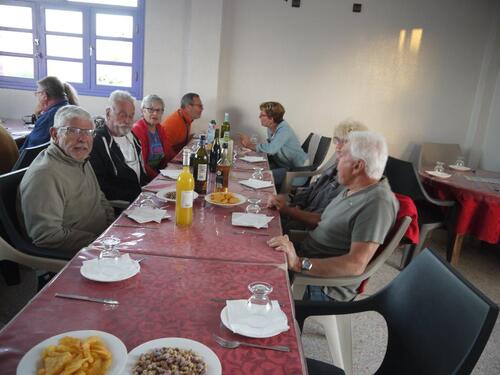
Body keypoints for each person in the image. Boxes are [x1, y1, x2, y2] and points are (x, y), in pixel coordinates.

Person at [267, 131, 399, 302]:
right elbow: (324, 223)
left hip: (321, 285)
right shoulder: (352, 188)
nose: (337, 161)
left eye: (342, 156)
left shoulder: (377, 204)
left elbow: (355, 265)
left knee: (248, 284)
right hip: (306, 255)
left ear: (358, 166)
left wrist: (299, 263)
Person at [19, 105, 114, 256]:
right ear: (55, 134)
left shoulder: (79, 158)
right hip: (86, 252)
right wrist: (99, 242)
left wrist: (113, 227)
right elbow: (47, 236)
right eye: (73, 131)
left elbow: (99, 198)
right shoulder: (45, 175)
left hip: (107, 239)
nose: (82, 138)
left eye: (88, 132)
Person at [269, 120, 367, 232]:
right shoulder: (336, 165)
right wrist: (296, 204)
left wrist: (290, 211)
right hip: (298, 216)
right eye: (337, 141)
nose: (338, 147)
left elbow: (322, 220)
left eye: (344, 142)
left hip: (303, 230)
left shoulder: (350, 183)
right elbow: (312, 188)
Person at [90, 90, 149, 203]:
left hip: (141, 200)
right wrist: (137, 196)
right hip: (120, 206)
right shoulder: (97, 142)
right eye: (122, 115)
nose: (127, 120)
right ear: (108, 113)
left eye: (131, 116)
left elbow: (142, 174)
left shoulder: (132, 137)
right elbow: (100, 186)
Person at [239, 101, 308, 186]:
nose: (259, 117)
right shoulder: (271, 128)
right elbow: (271, 149)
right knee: (252, 170)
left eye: (262, 115)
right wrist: (251, 147)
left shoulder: (284, 130)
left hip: (296, 173)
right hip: (282, 166)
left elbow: (271, 149)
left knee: (257, 177)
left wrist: (249, 145)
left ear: (271, 118)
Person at [20, 76, 78, 151]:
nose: (37, 97)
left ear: (45, 95)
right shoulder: (70, 109)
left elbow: (32, 149)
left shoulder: (49, 117)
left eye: (37, 93)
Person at [132, 94, 168, 178]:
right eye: (151, 110)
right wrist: (158, 178)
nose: (155, 113)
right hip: (144, 177)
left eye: (158, 110)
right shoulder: (137, 130)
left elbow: (168, 153)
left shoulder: (160, 128)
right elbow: (142, 164)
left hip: (159, 172)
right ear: (142, 110)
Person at [161, 93, 203, 162]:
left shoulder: (186, 119)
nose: (202, 109)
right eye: (200, 106)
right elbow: (164, 151)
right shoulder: (173, 124)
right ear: (189, 107)